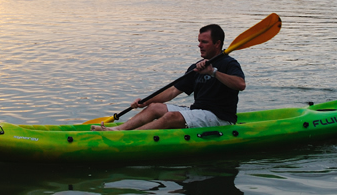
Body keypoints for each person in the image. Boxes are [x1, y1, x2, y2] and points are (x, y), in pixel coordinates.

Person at [91, 24, 246, 131]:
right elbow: (172, 92)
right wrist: (144, 102)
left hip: (220, 117)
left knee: (171, 116)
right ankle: (116, 129)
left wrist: (213, 72)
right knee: (154, 107)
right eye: (199, 41)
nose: (199, 45)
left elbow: (240, 84)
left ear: (217, 43)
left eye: (204, 42)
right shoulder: (196, 67)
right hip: (198, 111)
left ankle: (129, 136)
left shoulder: (229, 63)